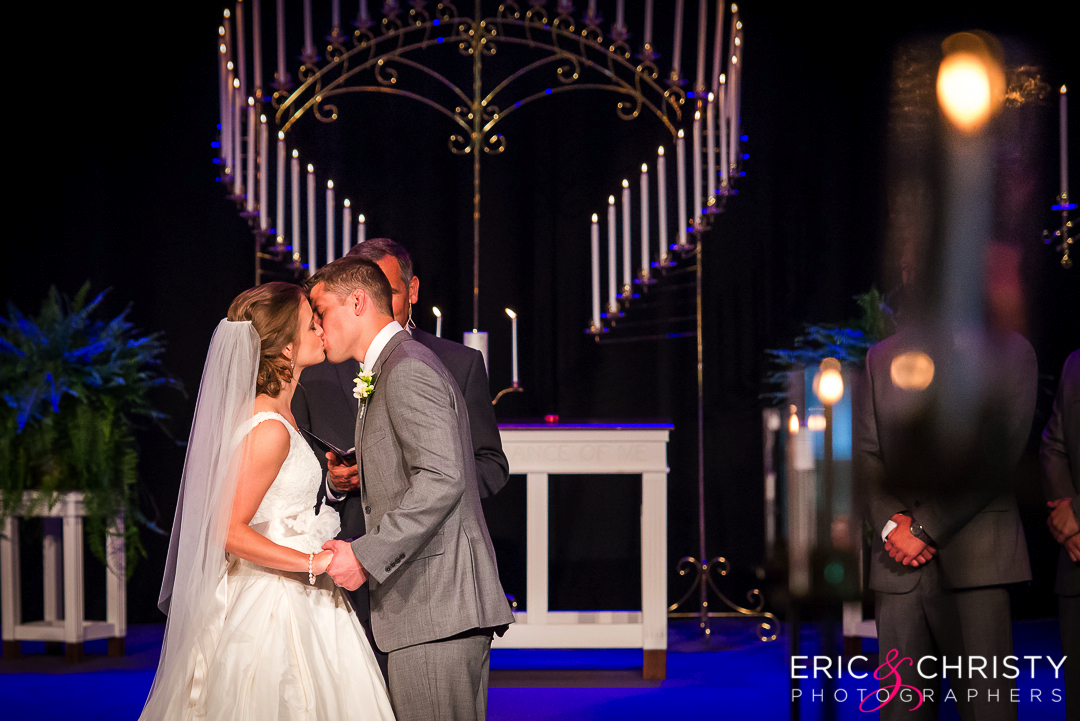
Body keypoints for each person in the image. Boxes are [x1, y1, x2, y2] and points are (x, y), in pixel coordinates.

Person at [139, 282, 394, 720]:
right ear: (286, 348)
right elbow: (227, 530)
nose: (321, 329)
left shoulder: (283, 413)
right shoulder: (269, 428)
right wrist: (314, 563)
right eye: (310, 323)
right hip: (273, 598)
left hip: (298, 587)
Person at [308, 257, 514, 721]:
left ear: (357, 302)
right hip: (428, 612)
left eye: (321, 312)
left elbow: (443, 478)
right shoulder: (394, 365)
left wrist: (364, 556)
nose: (318, 327)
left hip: (436, 610)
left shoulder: (406, 369)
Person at [854, 327, 1036, 721]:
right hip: (897, 571)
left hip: (978, 566)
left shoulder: (1010, 351)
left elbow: (997, 457)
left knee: (988, 710)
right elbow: (865, 454)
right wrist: (892, 525)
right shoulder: (880, 357)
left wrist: (923, 529)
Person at [1040, 348, 1080, 717]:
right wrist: (1069, 526)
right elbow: (1053, 445)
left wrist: (1077, 514)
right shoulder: (1074, 363)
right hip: (1075, 566)